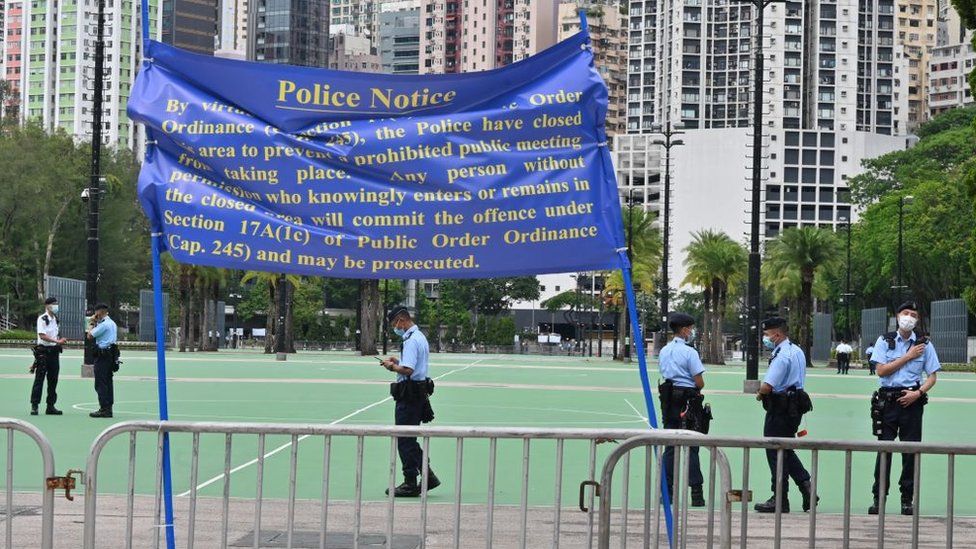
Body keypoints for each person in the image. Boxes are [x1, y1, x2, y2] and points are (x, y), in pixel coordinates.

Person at [868, 301, 940, 516]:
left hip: (912, 401)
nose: (909, 317)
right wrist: (908, 356)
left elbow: (932, 376)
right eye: (906, 313)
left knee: (910, 453)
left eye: (914, 315)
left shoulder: (925, 344)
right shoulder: (885, 341)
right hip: (888, 402)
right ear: (898, 316)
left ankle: (907, 500)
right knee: (884, 450)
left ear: (917, 320)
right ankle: (878, 497)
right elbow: (881, 371)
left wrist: (918, 393)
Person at [754, 317, 816, 514]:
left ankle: (779, 498)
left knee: (775, 451)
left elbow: (768, 385)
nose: (765, 338)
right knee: (786, 449)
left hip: (780, 408)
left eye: (767, 334)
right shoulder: (797, 351)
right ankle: (806, 486)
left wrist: (760, 394)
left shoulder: (782, 356)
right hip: (794, 406)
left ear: (777, 334)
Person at [381, 306, 440, 497]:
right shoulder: (418, 337)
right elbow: (411, 364)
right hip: (418, 393)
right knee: (409, 438)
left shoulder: (412, 340)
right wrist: (398, 361)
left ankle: (411, 482)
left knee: (405, 439)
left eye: (394, 324)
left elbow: (409, 370)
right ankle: (426, 474)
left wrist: (392, 367)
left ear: (401, 320)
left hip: (409, 395)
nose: (394, 328)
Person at [657, 312, 708, 507]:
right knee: (692, 446)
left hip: (669, 400)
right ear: (685, 329)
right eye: (691, 328)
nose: (692, 332)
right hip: (688, 400)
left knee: (670, 447)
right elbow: (699, 381)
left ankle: (667, 492)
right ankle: (696, 493)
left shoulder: (664, 350)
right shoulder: (689, 352)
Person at [32, 297, 66, 415]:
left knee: (53, 380)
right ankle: (35, 405)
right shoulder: (42, 318)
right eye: (53, 304)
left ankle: (50, 406)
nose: (56, 306)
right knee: (39, 379)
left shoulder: (55, 319)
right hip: (43, 352)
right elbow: (42, 336)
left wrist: (58, 341)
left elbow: (55, 335)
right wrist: (57, 341)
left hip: (54, 352)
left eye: (56, 303)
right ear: (47, 306)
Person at [87, 303, 118, 418]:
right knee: (108, 382)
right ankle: (108, 407)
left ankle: (104, 408)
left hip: (103, 356)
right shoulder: (112, 323)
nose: (95, 314)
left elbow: (90, 335)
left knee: (101, 383)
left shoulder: (104, 324)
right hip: (110, 355)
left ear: (99, 312)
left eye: (96, 312)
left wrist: (91, 323)